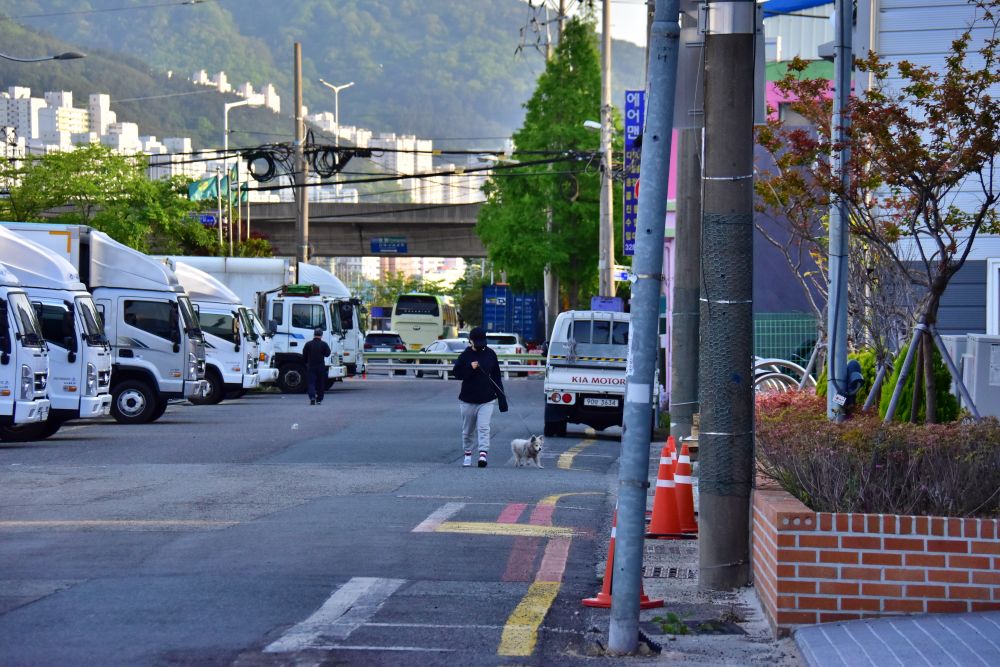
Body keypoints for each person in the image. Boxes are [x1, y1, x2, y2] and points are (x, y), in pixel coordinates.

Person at [452, 326, 504, 468]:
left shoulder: (491, 354)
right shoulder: (465, 355)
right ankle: (468, 454)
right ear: (471, 341)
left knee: (484, 428)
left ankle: (482, 455)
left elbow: (496, 377)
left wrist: (501, 397)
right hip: (467, 399)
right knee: (468, 430)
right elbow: (457, 374)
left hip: (487, 399)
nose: (481, 344)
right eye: (477, 341)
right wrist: (470, 367)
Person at [302, 327, 331, 405]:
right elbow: (327, 354)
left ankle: (312, 397)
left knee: (311, 382)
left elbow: (304, 355)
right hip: (321, 366)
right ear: (321, 335)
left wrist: (306, 363)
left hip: (311, 366)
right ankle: (319, 399)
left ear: (314, 334)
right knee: (320, 383)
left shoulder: (308, 344)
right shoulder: (324, 344)